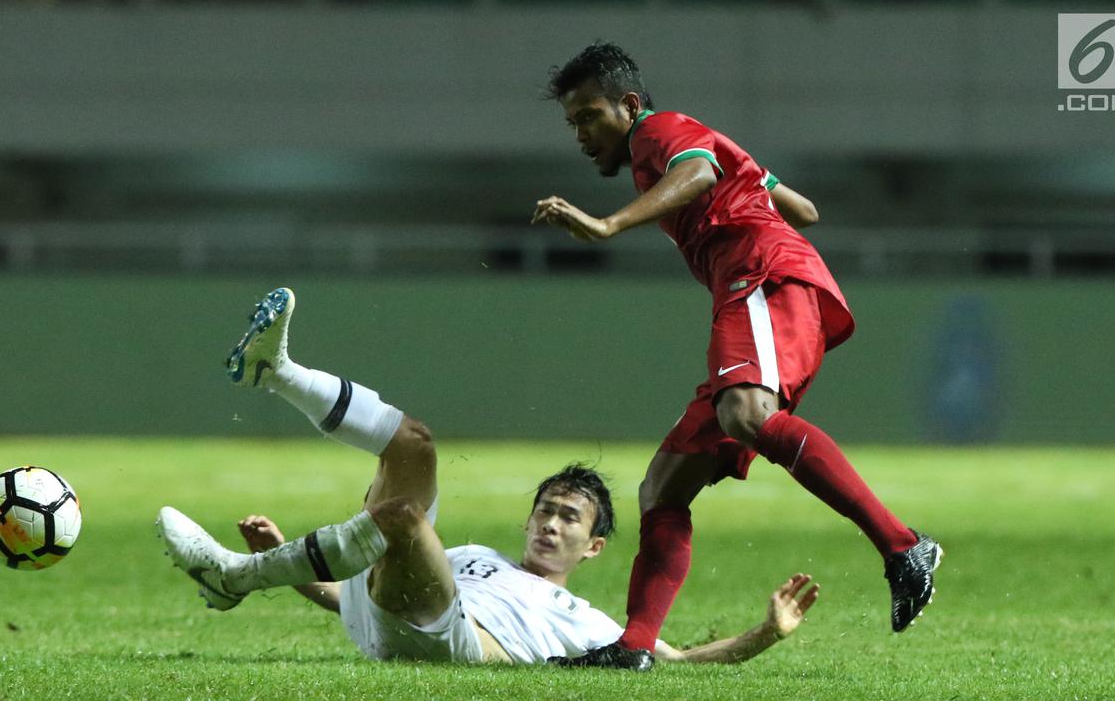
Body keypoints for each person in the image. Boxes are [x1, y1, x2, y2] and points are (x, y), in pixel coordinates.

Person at [532, 43, 943, 669]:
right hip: (759, 285)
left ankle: (902, 545)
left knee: (746, 414)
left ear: (631, 105)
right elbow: (805, 210)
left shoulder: (657, 134)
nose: (582, 134)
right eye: (573, 123)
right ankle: (635, 648)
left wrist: (609, 225)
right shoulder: (695, 138)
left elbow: (698, 176)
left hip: (760, 279)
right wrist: (754, 178)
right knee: (662, 487)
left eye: (590, 116)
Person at [157, 287, 819, 666]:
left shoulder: (580, 619)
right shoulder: (476, 557)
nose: (551, 523)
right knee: (414, 442)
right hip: (397, 613)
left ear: (593, 548)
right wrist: (296, 571)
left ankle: (234, 580)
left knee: (404, 519)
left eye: (570, 518)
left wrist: (764, 634)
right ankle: (276, 373)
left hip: (444, 638)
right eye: (547, 510)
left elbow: (672, 663)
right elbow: (349, 600)